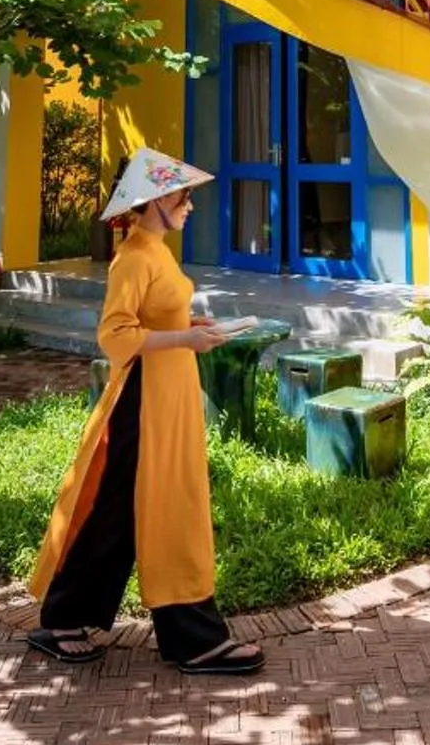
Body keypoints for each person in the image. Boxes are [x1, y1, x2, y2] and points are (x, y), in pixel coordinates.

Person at [24, 147, 264, 675]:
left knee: (125, 510)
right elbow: (114, 335)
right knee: (155, 505)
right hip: (142, 401)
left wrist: (191, 331)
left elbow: (159, 317)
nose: (190, 207)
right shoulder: (133, 256)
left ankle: (66, 618)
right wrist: (183, 337)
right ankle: (191, 638)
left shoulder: (156, 249)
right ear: (153, 200)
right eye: (183, 197)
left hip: (167, 393)